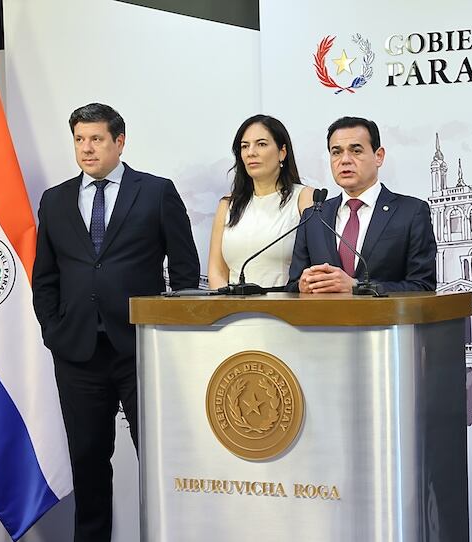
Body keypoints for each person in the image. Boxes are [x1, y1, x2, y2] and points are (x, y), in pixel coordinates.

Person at [32, 103, 199, 542]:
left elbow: (184, 271)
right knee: (87, 466)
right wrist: (54, 331)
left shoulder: (156, 191)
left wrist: (174, 339)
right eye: (79, 140)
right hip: (77, 354)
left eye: (96, 139)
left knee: (161, 464)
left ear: (119, 142)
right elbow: (45, 276)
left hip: (142, 351)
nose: (87, 149)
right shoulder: (55, 199)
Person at [288, 116, 436, 293]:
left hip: (386, 320)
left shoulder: (411, 212)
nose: (345, 160)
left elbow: (423, 286)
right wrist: (302, 285)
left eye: (356, 151)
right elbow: (293, 285)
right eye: (336, 152)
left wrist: (357, 287)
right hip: (325, 320)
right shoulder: (314, 216)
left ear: (378, 156)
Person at [208, 115, 314, 289]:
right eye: (245, 146)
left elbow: (316, 262)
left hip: (287, 306)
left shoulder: (304, 197)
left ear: (282, 152)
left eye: (261, 144)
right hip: (233, 308)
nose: (251, 152)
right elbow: (217, 271)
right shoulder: (228, 204)